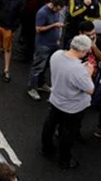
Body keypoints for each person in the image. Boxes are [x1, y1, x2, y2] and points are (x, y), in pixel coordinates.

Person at [40, 34, 95, 170]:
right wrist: (89, 72)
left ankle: (46, 149)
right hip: (72, 106)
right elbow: (90, 89)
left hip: (56, 99)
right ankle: (64, 159)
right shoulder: (79, 70)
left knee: (50, 124)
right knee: (68, 133)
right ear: (84, 51)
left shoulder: (57, 55)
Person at [28, 0, 66, 101]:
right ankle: (32, 87)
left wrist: (57, 39)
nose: (59, 11)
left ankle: (41, 83)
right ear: (53, 5)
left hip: (53, 43)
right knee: (38, 67)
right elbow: (38, 29)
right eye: (58, 9)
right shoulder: (42, 13)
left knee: (45, 66)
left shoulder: (56, 11)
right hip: (43, 44)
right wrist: (54, 25)